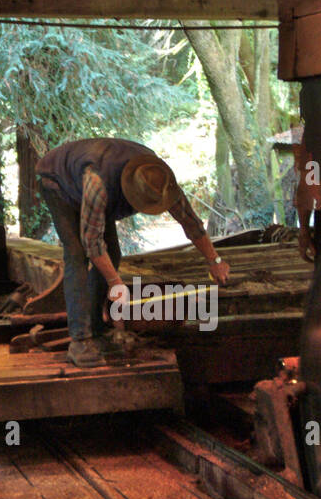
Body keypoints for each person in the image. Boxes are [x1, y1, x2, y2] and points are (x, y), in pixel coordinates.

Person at [36, 138, 230, 367]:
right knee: (77, 254)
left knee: (113, 254)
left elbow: (190, 221)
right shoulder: (98, 183)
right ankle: (80, 340)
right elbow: (92, 242)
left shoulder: (159, 178)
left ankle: (97, 329)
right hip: (58, 183)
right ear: (130, 191)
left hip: (93, 188)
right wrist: (115, 282)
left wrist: (214, 260)